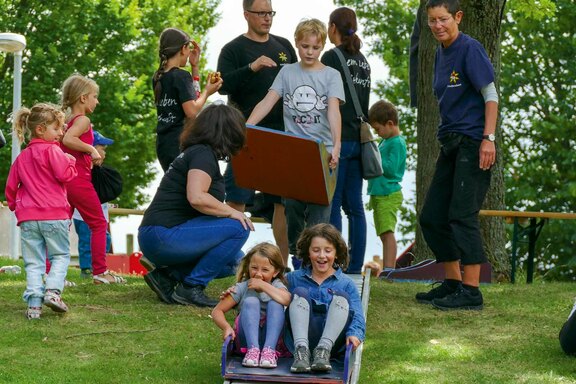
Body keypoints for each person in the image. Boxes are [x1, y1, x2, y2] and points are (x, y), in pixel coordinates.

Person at [416, 0, 498, 310]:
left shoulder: (469, 49)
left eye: (444, 19)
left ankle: (472, 291)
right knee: (432, 217)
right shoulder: (440, 52)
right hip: (449, 143)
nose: (438, 25)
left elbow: (490, 96)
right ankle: (452, 282)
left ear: (458, 17)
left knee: (462, 215)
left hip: (473, 143)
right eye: (433, 20)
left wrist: (487, 139)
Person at [247, 18, 344, 265]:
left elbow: (334, 111)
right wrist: (248, 127)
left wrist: (337, 145)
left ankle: (318, 263)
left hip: (322, 151)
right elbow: (268, 101)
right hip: (293, 151)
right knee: (292, 207)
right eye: (304, 46)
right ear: (297, 45)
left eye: (314, 47)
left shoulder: (331, 75)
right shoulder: (287, 72)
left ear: (321, 46)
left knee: (320, 213)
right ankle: (297, 256)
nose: (309, 52)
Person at [138, 104, 254, 308]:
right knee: (239, 227)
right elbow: (197, 197)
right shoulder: (202, 154)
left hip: (159, 234)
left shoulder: (198, 153)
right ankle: (191, 287)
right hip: (163, 234)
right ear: (227, 131)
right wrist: (233, 213)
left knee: (234, 261)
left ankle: (167, 277)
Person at [217, 0, 297, 265]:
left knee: (281, 203)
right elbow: (222, 86)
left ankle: (282, 266)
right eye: (261, 13)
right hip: (245, 135)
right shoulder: (233, 49)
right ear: (246, 15)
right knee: (237, 197)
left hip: (282, 134)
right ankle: (225, 260)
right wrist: (252, 67)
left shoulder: (284, 45)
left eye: (270, 12)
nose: (267, 18)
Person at [5, 103, 78, 319]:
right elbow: (65, 175)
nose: (61, 133)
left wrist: (15, 206)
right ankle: (53, 292)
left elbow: (11, 187)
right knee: (61, 256)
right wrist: (71, 161)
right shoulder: (53, 151)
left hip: (28, 217)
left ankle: (34, 304)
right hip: (54, 214)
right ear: (41, 129)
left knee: (34, 261)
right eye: (57, 129)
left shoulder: (22, 157)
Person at [61, 74, 126, 284]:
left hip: (65, 181)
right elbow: (69, 140)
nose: (97, 101)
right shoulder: (83, 121)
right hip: (79, 181)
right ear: (83, 98)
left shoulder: (66, 121)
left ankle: (52, 273)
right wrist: (91, 150)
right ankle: (100, 272)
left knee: (61, 226)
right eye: (95, 96)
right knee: (99, 223)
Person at [321, 7, 371, 274]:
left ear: (332, 28)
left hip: (338, 139)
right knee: (356, 207)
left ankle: (335, 263)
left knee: (333, 204)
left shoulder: (331, 56)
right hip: (359, 141)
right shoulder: (362, 60)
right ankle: (355, 265)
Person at [286, 223, 365, 373]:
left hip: (332, 344)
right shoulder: (293, 278)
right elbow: (271, 289)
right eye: (316, 250)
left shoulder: (346, 283)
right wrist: (241, 289)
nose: (322, 256)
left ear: (336, 253)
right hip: (302, 339)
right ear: (308, 252)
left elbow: (358, 315)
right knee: (300, 292)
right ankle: (301, 352)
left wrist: (355, 333)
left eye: (328, 251)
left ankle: (323, 351)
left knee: (341, 297)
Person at [211, 243, 291, 368]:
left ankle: (268, 351)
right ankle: (252, 350)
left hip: (272, 339)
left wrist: (262, 285)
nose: (258, 273)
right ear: (248, 267)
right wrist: (226, 327)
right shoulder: (242, 287)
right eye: (254, 268)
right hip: (245, 339)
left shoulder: (277, 285)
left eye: (265, 270)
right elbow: (217, 311)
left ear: (275, 272)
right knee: (251, 301)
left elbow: (287, 300)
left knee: (276, 303)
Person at [153, 27, 222, 171]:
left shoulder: (158, 77)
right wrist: (207, 92)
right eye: (189, 48)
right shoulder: (181, 76)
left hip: (164, 146)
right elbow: (192, 112)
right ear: (183, 49)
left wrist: (195, 67)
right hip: (180, 144)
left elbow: (191, 100)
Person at [366, 101, 406, 274]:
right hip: (379, 193)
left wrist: (374, 158)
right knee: (383, 232)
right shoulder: (385, 141)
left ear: (390, 124)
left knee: (388, 233)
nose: (377, 132)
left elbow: (391, 169)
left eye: (377, 128)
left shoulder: (396, 143)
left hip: (388, 194)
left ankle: (390, 270)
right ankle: (388, 268)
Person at [72, 130, 114, 279]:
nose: (104, 152)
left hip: (100, 212)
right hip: (82, 215)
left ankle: (99, 267)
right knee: (86, 241)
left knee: (105, 239)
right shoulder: (84, 169)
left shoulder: (98, 171)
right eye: (102, 148)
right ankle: (87, 269)